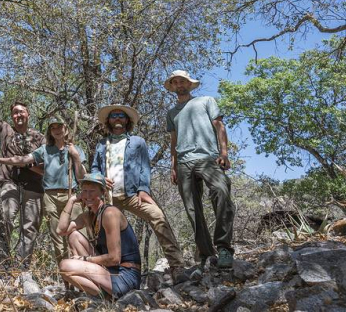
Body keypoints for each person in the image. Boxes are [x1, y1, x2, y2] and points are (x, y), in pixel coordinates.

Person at [91, 104, 185, 280]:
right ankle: (105, 274)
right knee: (101, 232)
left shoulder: (137, 142)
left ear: (127, 120)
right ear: (108, 121)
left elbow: (144, 167)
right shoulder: (102, 144)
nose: (117, 118)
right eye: (113, 116)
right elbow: (95, 168)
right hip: (109, 198)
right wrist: (100, 179)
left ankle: (177, 265)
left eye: (121, 115)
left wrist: (143, 189)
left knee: (158, 217)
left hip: (133, 195)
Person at [165, 70, 235, 270]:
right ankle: (206, 253)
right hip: (184, 162)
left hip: (208, 157)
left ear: (189, 84)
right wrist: (173, 166)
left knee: (221, 191)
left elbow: (219, 126)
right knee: (192, 209)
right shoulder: (172, 113)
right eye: (175, 82)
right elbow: (174, 140)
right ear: (172, 86)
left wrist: (224, 153)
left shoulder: (206, 101)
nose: (179, 84)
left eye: (183, 81)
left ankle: (224, 248)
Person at [0, 119, 86, 267]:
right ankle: (67, 278)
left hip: (72, 195)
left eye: (60, 126)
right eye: (53, 127)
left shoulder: (75, 149)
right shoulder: (45, 149)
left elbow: (82, 177)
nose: (57, 130)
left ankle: (84, 275)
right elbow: (23, 160)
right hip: (50, 197)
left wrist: (75, 156)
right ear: (50, 132)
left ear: (66, 129)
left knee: (77, 235)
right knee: (58, 238)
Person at [0, 67, 44, 266]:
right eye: (14, 113)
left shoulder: (39, 137)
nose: (18, 115)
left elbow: (44, 167)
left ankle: (22, 265)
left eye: (21, 112)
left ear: (28, 114)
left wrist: (25, 163)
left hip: (34, 187)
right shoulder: (5, 130)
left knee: (30, 227)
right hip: (9, 183)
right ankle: (1, 261)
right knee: (5, 217)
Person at [56, 173, 141, 300]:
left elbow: (114, 258)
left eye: (92, 191)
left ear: (103, 193)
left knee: (65, 266)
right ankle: (102, 294)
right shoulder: (88, 216)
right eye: (84, 191)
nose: (88, 195)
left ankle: (104, 297)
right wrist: (71, 201)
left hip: (125, 275)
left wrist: (84, 259)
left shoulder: (110, 213)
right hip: (108, 270)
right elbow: (61, 230)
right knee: (73, 236)